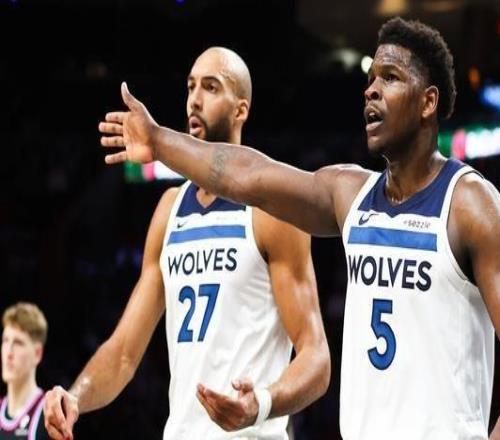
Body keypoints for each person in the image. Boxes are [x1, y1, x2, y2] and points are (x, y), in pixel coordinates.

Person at [96, 17, 500, 439]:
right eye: (370, 79)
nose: (371, 90)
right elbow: (249, 176)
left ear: (428, 102)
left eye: (391, 78)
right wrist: (159, 141)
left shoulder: (470, 204)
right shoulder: (350, 194)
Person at [44, 47, 330, 440]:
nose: (194, 99)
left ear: (241, 110)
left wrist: (260, 404)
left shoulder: (272, 210)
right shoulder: (169, 209)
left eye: (211, 87)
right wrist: (75, 398)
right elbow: (124, 351)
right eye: (191, 86)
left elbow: (316, 358)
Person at [1, 302, 49, 439]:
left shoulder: (48, 415)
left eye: (18, 343)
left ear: (37, 353)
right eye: (5, 340)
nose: (9, 352)